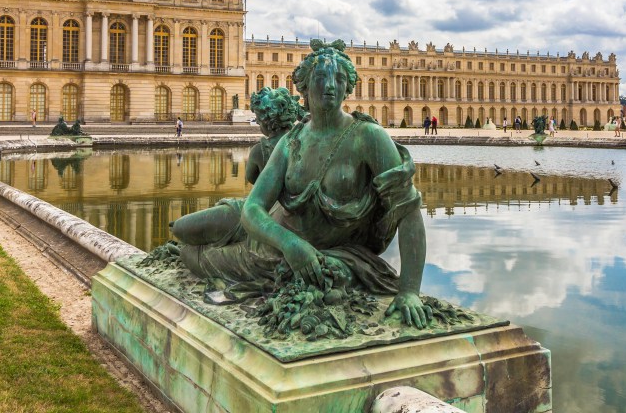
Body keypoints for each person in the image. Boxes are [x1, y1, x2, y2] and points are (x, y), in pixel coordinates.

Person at [169, 39, 430, 328]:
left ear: (348, 87)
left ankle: (233, 275)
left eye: (339, 79)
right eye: (321, 78)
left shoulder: (368, 137)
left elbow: (407, 211)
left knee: (190, 255)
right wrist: (290, 243)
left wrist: (409, 291)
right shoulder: (291, 141)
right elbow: (253, 208)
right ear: (303, 87)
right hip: (274, 233)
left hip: (284, 253)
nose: (330, 86)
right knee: (182, 230)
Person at [244, 87, 304, 184]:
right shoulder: (305, 143)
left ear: (266, 121)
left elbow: (251, 178)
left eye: (258, 118)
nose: (257, 121)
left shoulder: (258, 151)